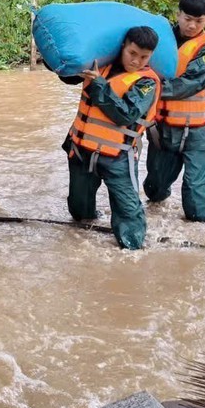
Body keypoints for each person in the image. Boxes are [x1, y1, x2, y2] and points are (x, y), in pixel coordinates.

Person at [63, 26, 162, 249]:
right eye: (132, 53)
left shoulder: (147, 82)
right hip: (81, 150)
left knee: (127, 211)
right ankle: (81, 238)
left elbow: (124, 114)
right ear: (123, 47)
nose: (136, 61)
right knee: (79, 212)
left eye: (144, 57)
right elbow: (68, 76)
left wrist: (99, 84)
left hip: (117, 156)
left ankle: (132, 250)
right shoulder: (101, 66)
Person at [143, 0, 205, 222]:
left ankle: (199, 241)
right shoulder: (158, 39)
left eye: (199, 21)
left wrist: (148, 89)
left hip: (198, 131)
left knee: (197, 202)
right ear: (177, 14)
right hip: (163, 130)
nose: (192, 25)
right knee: (155, 191)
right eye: (187, 18)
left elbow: (191, 83)